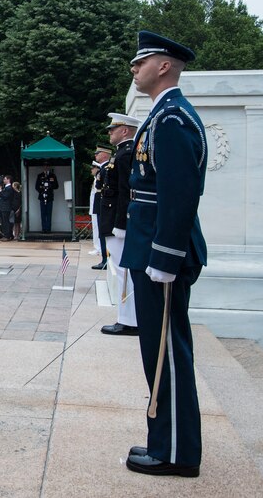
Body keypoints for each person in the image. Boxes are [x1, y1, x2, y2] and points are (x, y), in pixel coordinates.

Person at [121, 31, 206, 478]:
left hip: (161, 252)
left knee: (167, 354)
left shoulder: (172, 119)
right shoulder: (162, 116)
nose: (134, 69)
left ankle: (176, 453)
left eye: (141, 62)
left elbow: (179, 195)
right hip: (150, 248)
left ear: (165, 66)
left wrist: (166, 257)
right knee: (158, 351)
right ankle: (165, 440)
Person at [99, 114, 141, 335]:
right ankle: (127, 318)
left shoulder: (126, 155)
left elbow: (126, 192)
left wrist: (121, 224)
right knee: (122, 271)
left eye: (113, 130)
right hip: (113, 220)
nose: (110, 133)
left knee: (124, 273)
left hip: (117, 222)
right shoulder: (122, 153)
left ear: (125, 131)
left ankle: (129, 321)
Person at [91, 147, 112, 270]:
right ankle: (105, 259)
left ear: (104, 155)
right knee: (102, 234)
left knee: (104, 234)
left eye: (97, 153)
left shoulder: (106, 169)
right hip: (101, 205)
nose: (95, 155)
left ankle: (106, 260)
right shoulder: (104, 169)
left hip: (103, 205)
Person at [35, 164, 59, 233]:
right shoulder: (40, 175)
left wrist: (50, 186)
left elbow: (56, 186)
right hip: (42, 197)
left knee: (49, 213)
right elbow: (37, 187)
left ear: (48, 167)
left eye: (47, 166)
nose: (45, 167)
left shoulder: (52, 175)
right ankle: (44, 229)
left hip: (49, 197)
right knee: (43, 213)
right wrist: (42, 191)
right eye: (44, 166)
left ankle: (48, 229)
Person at [0, 175, 15, 241]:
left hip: (6, 207)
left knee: (6, 222)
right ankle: (7, 235)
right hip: (3, 207)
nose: (3, 180)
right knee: (4, 222)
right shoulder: (5, 188)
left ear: (8, 180)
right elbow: (0, 195)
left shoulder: (9, 188)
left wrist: (0, 191)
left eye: (5, 179)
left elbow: (5, 196)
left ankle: (7, 236)